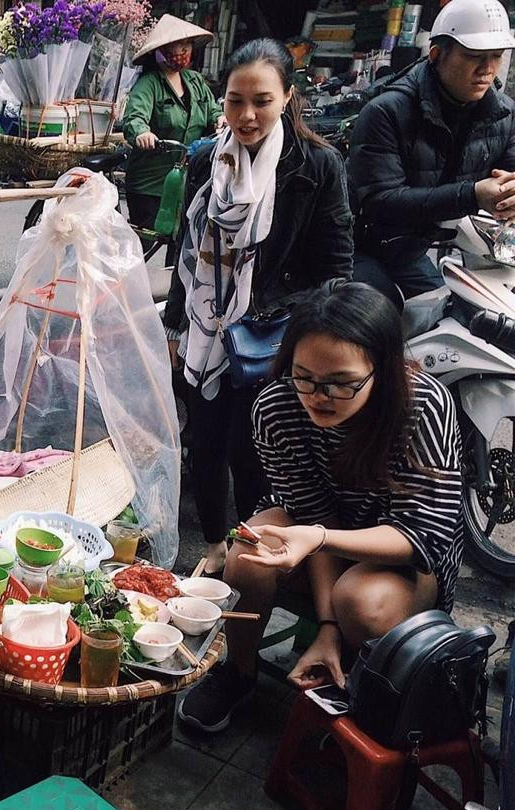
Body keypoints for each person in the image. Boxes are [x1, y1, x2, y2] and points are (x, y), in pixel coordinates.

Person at [177, 282, 464, 733]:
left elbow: (422, 537)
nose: (318, 395)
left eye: (342, 383)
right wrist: (327, 619)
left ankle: (359, 694)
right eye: (304, 376)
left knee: (362, 602)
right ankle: (239, 672)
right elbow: (313, 513)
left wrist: (320, 540)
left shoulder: (421, 406)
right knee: (248, 554)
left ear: (382, 369)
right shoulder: (276, 406)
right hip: (314, 529)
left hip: (404, 553)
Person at [162, 38, 353, 576]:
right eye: (235, 100)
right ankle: (216, 543)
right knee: (204, 439)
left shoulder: (317, 165)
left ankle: (250, 543)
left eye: (262, 101)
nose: (247, 115)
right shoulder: (206, 160)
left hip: (274, 338)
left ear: (287, 96)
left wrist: (277, 324)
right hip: (206, 328)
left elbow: (337, 269)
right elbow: (187, 251)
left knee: (253, 446)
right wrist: (178, 326)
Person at [347, 0, 515, 306]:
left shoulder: (504, 114)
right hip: (367, 245)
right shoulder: (386, 112)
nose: (488, 69)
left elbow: (508, 177)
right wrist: (473, 194)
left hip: (438, 246)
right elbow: (381, 202)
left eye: (496, 56)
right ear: (436, 55)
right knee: (383, 321)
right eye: (473, 56)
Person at [121, 15, 225, 236]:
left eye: (186, 45)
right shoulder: (149, 84)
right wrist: (143, 133)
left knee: (182, 241)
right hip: (151, 182)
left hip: (188, 179)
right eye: (175, 47)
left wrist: (220, 118)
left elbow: (212, 109)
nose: (182, 51)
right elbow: (134, 118)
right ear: (159, 52)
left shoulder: (195, 81)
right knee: (147, 240)